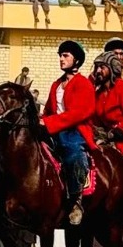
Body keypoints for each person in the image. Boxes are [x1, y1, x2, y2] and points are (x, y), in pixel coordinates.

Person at [43, 40, 95, 226]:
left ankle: (76, 200)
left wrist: (49, 122)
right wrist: (41, 120)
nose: (61, 59)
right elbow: (49, 109)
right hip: (53, 129)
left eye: (65, 56)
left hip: (75, 130)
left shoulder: (84, 84)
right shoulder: (56, 84)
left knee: (73, 153)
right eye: (60, 55)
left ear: (77, 61)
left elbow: (79, 113)